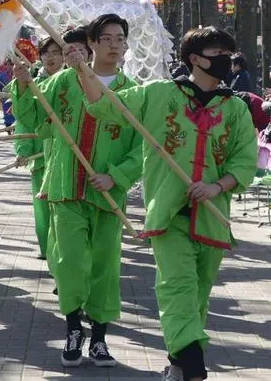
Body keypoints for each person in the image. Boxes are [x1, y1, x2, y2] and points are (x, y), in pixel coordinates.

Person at [76, 26, 257, 381]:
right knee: (176, 285)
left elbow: (244, 160)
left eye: (226, 55)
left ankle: (177, 362)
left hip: (212, 214)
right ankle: (192, 364)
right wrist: (82, 69)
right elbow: (104, 107)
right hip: (169, 213)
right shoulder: (158, 94)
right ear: (194, 59)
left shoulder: (235, 107)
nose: (224, 61)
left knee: (199, 293)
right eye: (216, 54)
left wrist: (216, 186)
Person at [12, 14, 141, 368]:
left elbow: (142, 147)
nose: (115, 45)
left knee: (105, 265)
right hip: (66, 187)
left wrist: (116, 176)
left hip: (107, 195)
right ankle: (73, 328)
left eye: (121, 39)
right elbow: (35, 119)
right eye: (108, 38)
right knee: (69, 262)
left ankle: (99, 337)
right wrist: (25, 85)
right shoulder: (64, 82)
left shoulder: (133, 91)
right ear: (93, 43)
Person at [6, 37, 64, 260]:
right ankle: (47, 250)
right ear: (40, 57)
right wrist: (23, 151)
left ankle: (61, 251)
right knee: (42, 207)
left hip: (66, 154)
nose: (51, 57)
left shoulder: (75, 83)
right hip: (41, 156)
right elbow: (24, 120)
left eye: (56, 52)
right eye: (46, 53)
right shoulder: (32, 84)